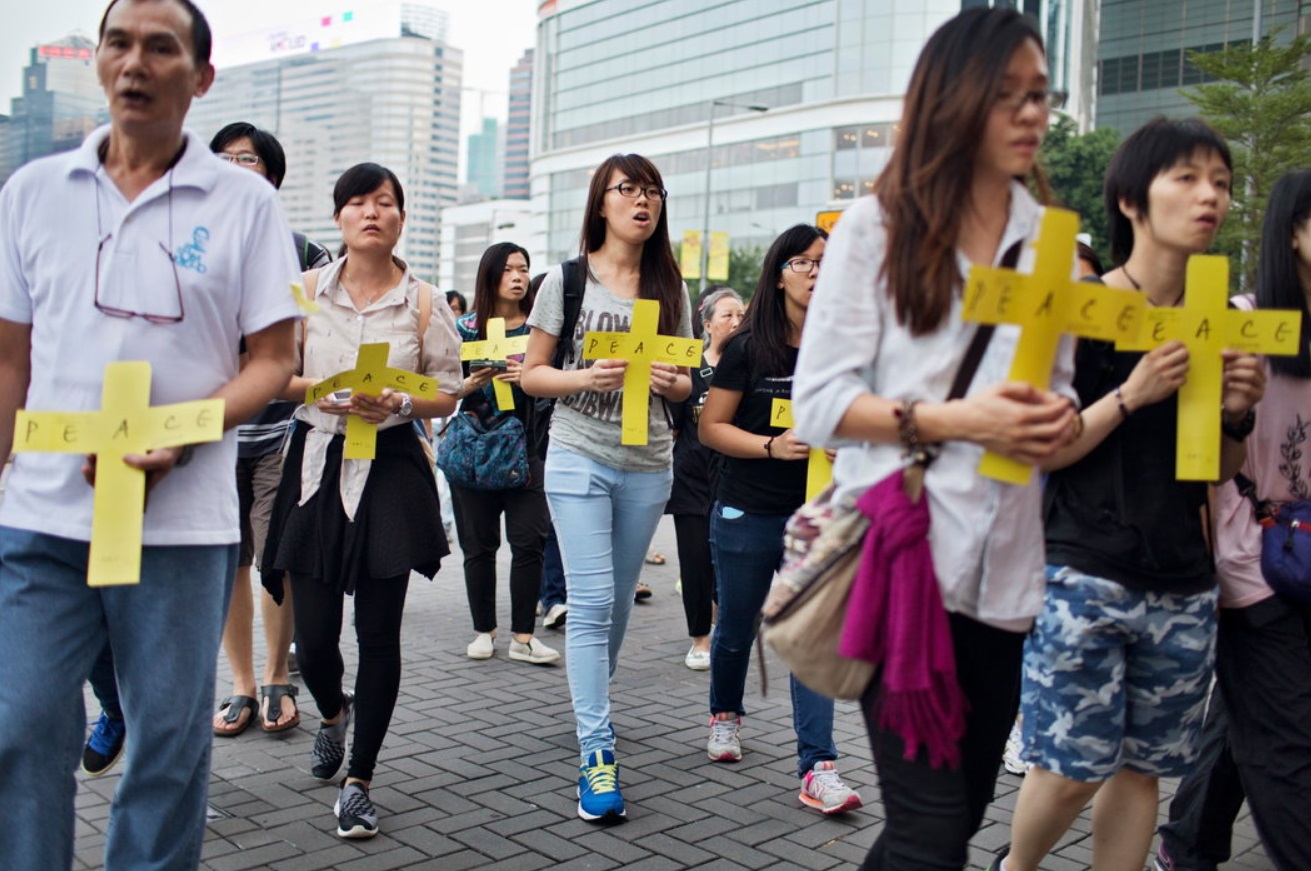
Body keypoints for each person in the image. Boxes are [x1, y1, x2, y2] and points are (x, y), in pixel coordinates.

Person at [0, 1, 302, 868]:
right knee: (19, 729)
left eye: (160, 47)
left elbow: (272, 358)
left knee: (169, 747)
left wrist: (182, 434)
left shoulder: (244, 203)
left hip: (181, 523)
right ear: (97, 61)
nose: (135, 62)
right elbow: (9, 363)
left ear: (200, 77)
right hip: (43, 518)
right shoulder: (32, 193)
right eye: (118, 43)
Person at [793, 8, 1081, 868]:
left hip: (1006, 582)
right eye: (1006, 96)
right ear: (953, 100)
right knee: (927, 835)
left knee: (949, 824)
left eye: (1040, 95)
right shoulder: (878, 230)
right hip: (903, 562)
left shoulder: (1052, 244)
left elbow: (1056, 407)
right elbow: (818, 403)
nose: (1031, 114)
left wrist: (1060, 422)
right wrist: (959, 420)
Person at [995, 118, 1265, 871]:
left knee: (1142, 766)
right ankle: (1014, 866)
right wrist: (1131, 393)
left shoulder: (1216, 313)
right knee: (1073, 763)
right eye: (1185, 177)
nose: (1208, 195)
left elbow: (1216, 466)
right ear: (1130, 201)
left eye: (1219, 181)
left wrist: (1238, 411)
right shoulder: (1077, 306)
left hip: (1181, 576)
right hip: (1083, 567)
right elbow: (1041, 444)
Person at [260, 162, 462, 839]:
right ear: (339, 217)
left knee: (378, 634)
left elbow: (446, 389)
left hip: (391, 469)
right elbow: (273, 374)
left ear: (402, 218)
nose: (371, 212)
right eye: (356, 202)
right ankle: (330, 713)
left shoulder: (424, 302)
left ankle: (359, 779)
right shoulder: (305, 292)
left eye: (384, 202)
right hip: (316, 463)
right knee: (315, 640)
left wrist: (400, 399)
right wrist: (322, 390)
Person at [521, 153, 693, 823]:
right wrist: (583, 378)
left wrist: (671, 383)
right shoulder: (565, 281)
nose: (641, 201)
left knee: (616, 604)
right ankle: (596, 748)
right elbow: (532, 374)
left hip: (648, 462)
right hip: (577, 456)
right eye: (628, 189)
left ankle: (591, 695)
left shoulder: (669, 287)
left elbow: (685, 377)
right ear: (601, 203)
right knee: (590, 602)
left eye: (651, 190)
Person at [1154, 170, 1311, 871]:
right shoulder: (1237, 320)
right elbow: (1193, 457)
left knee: (1249, 713)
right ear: (1294, 231)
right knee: (1288, 737)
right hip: (1248, 557)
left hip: (1302, 549)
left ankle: (1184, 844)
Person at [700, 226, 865, 814]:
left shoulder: (845, 348)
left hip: (817, 514)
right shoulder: (748, 346)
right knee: (737, 626)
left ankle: (818, 766)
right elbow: (711, 429)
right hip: (747, 509)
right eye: (806, 262)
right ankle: (725, 715)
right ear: (779, 273)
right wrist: (772, 447)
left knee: (813, 635)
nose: (818, 272)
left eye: (828, 262)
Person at [210, 121, 332, 737]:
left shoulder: (305, 254)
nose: (234, 167)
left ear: (273, 178)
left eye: (248, 158)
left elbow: (326, 342)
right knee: (226, 561)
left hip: (282, 434)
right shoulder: (192, 248)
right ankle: (240, 683)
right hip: (206, 437)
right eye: (223, 158)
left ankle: (278, 674)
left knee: (276, 561)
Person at [452, 242, 557, 665]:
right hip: (475, 448)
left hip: (526, 448)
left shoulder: (540, 332)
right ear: (490, 275)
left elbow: (557, 385)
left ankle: (523, 636)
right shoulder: (464, 328)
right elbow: (442, 390)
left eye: (524, 269)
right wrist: (468, 384)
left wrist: (528, 377)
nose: (518, 277)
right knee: (478, 546)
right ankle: (484, 631)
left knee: (530, 541)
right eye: (509, 269)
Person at [665, 286, 743, 670]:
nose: (736, 322)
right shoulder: (690, 366)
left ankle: (728, 625)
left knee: (731, 560)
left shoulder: (750, 364)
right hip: (693, 478)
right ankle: (700, 637)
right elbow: (675, 427)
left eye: (741, 315)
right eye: (728, 315)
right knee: (694, 562)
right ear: (707, 323)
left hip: (738, 481)